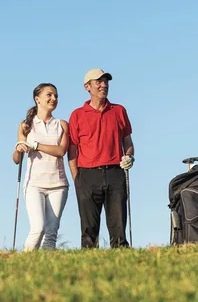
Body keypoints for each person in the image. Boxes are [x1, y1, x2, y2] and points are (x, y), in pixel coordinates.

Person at [68, 68, 135, 248]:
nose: (103, 85)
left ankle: (122, 261)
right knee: (89, 229)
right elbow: (72, 149)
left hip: (115, 172)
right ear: (87, 86)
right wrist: (77, 178)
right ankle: (89, 264)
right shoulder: (77, 115)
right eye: (98, 81)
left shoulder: (119, 111)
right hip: (87, 175)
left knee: (118, 225)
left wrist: (129, 156)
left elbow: (127, 141)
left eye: (106, 81)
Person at [12, 83, 70, 251]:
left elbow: (60, 151)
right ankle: (24, 264)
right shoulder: (25, 125)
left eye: (56, 96)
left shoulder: (62, 124)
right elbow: (17, 159)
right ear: (37, 99)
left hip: (58, 184)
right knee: (38, 228)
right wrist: (18, 148)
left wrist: (35, 145)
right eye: (49, 95)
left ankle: (45, 271)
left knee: (51, 233)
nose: (54, 99)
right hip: (34, 184)